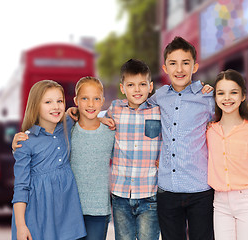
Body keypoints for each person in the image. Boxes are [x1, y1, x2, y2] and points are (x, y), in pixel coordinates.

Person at [148, 36, 215, 240]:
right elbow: (135, 108)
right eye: (173, 63)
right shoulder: (159, 96)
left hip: (200, 189)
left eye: (185, 63)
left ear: (195, 66)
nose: (179, 69)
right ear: (164, 68)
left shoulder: (207, 98)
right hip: (168, 189)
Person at [11, 80, 86, 240]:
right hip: (38, 215)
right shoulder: (25, 141)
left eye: (59, 101)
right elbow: (20, 188)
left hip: (65, 210)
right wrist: (21, 225)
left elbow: (90, 113)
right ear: (35, 106)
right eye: (48, 102)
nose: (56, 106)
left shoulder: (67, 124)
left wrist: (103, 120)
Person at [105, 59, 161, 240]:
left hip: (150, 195)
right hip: (120, 195)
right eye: (131, 85)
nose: (137, 90)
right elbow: (93, 121)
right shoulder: (115, 109)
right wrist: (71, 113)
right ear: (122, 88)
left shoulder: (158, 111)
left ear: (150, 86)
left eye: (142, 84)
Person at [206, 69, 248, 240]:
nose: (227, 98)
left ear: (243, 96)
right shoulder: (209, 130)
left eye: (233, 92)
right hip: (220, 202)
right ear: (215, 97)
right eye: (221, 93)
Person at [70, 76, 115, 240]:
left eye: (96, 98)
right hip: (71, 209)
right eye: (85, 98)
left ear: (102, 100)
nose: (91, 104)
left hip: (99, 210)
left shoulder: (110, 132)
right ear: (76, 100)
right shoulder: (69, 132)